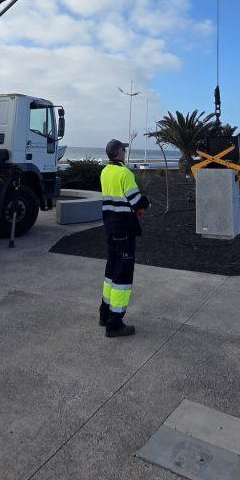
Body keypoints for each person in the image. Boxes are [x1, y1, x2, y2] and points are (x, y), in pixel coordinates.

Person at [99, 139, 149, 338]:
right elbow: (137, 202)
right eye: (123, 150)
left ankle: (104, 313)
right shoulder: (124, 173)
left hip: (110, 227)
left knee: (111, 270)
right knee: (122, 275)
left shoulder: (105, 172)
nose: (125, 152)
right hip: (124, 230)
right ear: (118, 152)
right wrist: (147, 202)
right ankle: (115, 323)